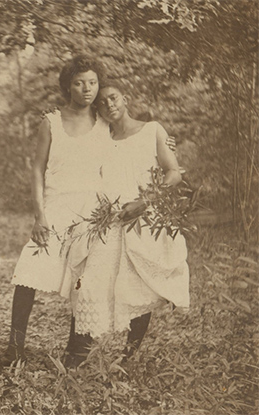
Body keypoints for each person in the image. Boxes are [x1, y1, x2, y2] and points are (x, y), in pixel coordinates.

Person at [65, 81, 190, 366]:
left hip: (143, 217)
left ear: (126, 98)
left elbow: (173, 173)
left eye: (113, 98)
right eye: (102, 103)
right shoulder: (100, 138)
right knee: (90, 280)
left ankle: (128, 355)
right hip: (109, 218)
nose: (109, 105)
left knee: (137, 286)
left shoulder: (152, 130)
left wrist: (144, 202)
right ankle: (78, 352)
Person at [0, 55, 111, 367]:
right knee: (28, 275)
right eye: (79, 83)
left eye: (92, 83)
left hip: (91, 214)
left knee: (86, 282)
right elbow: (37, 170)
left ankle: (76, 354)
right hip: (55, 207)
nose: (86, 89)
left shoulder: (105, 125)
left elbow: (130, 148)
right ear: (67, 86)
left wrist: (164, 145)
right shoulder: (51, 122)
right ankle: (15, 348)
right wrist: (40, 215)